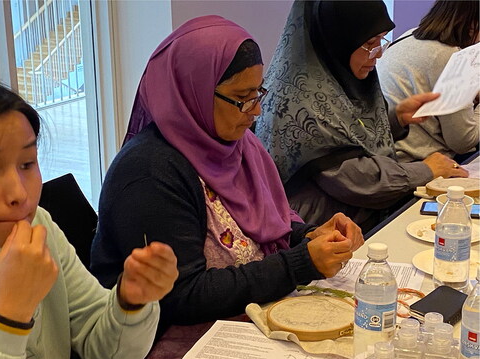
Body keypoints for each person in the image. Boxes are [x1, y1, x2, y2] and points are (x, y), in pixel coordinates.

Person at [90, 15, 364, 339]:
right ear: (194, 90)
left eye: (257, 93)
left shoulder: (234, 145)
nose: (256, 110)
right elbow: (183, 297)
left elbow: (262, 231)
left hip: (240, 318)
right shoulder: (150, 173)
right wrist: (301, 263)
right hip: (171, 340)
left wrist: (309, 237)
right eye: (242, 97)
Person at [0, 79, 178, 359]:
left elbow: (108, 355)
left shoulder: (39, 226)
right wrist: (10, 314)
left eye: (27, 163)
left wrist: (130, 300)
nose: (19, 194)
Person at [255, 0, 469, 234]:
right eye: (369, 43)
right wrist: (427, 170)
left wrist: (396, 118)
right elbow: (358, 181)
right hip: (323, 232)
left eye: (381, 41)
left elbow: (346, 136)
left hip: (357, 221)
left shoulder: (333, 76)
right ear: (339, 39)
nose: (377, 54)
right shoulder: (303, 100)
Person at [378, 0, 479, 163]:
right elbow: (464, 141)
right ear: (472, 25)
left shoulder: (410, 35)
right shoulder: (450, 56)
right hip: (415, 162)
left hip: (387, 155)